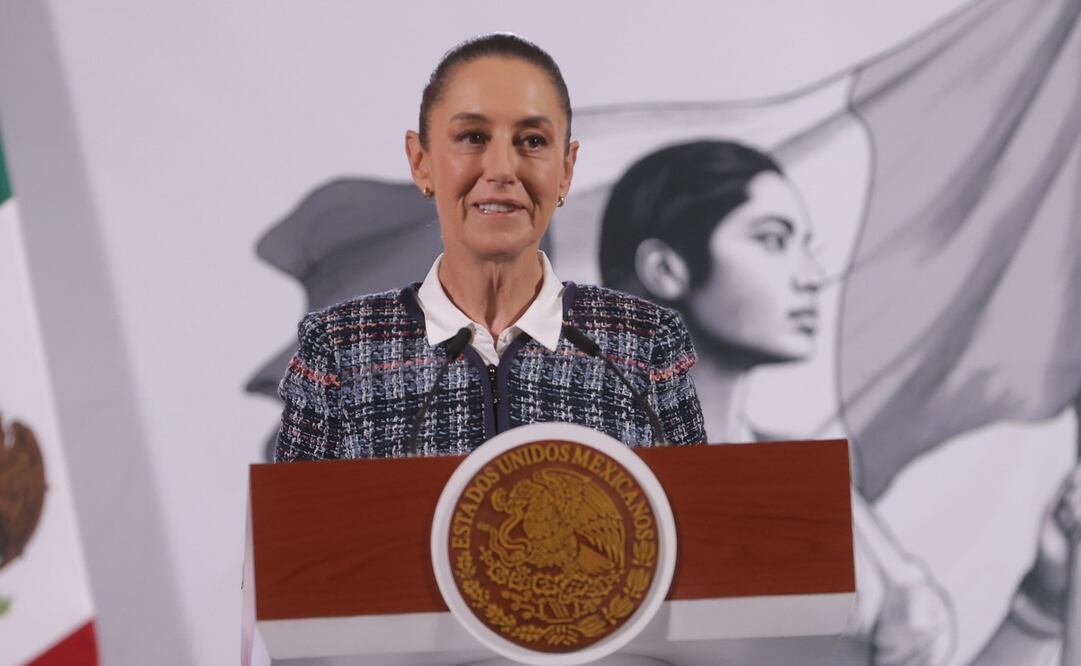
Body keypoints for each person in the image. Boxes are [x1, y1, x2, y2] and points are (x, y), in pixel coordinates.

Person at [599, 140, 956, 666]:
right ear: (666, 268)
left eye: (804, 244)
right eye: (772, 240)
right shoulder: (582, 475)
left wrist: (1036, 604)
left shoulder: (800, 470)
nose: (811, 276)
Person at [275, 33, 706, 462]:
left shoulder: (645, 344)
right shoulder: (339, 348)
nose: (501, 169)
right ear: (421, 161)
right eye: (473, 137)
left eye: (533, 141)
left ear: (566, 170)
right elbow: (294, 527)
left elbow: (699, 524)